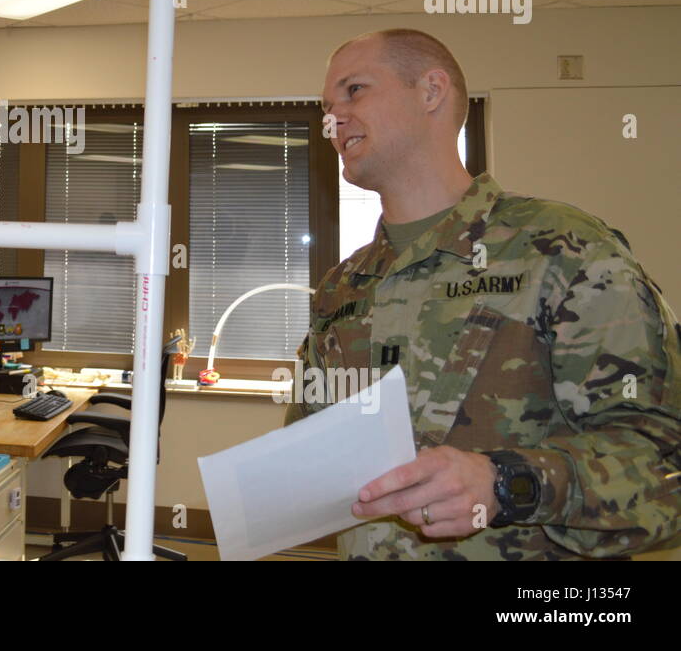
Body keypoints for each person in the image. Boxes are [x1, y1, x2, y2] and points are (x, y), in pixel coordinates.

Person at [285, 28, 681, 560]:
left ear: (431, 91)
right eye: (326, 108)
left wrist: (505, 484)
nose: (332, 120)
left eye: (354, 91)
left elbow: (663, 464)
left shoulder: (564, 250)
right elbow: (311, 446)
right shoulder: (342, 286)